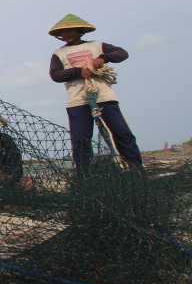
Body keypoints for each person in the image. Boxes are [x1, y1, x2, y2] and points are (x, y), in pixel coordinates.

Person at [48, 14, 143, 169]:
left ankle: (137, 168)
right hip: (78, 100)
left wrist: (103, 58)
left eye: (70, 31)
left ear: (79, 31)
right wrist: (78, 72)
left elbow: (122, 53)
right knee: (80, 140)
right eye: (63, 33)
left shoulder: (96, 45)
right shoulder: (59, 53)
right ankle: (83, 174)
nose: (66, 35)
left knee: (122, 133)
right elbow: (55, 75)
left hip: (104, 97)